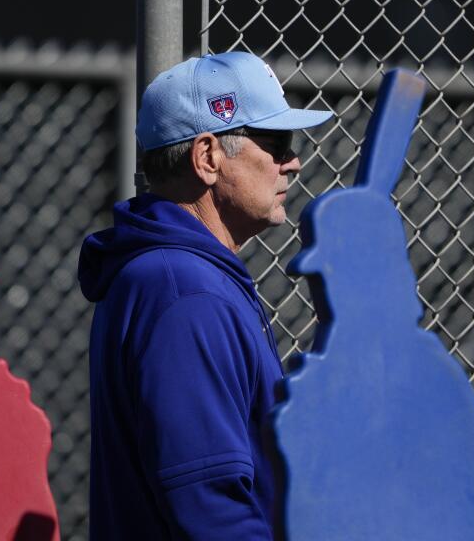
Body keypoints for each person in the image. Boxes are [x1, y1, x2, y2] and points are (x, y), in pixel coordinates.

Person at [78, 51, 333, 539]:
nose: (293, 163)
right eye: (275, 143)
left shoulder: (177, 273)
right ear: (207, 157)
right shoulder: (185, 291)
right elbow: (209, 503)